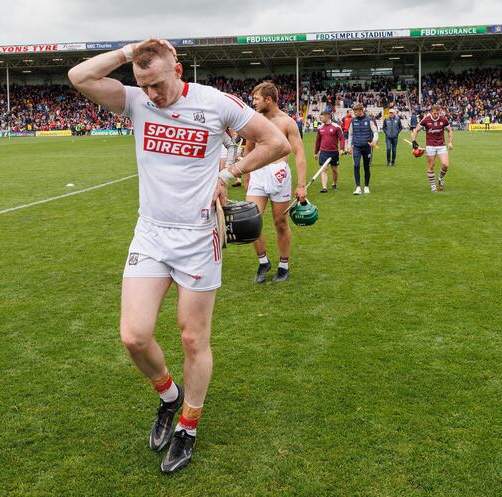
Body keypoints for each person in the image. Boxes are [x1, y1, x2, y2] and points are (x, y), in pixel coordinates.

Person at [68, 38, 289, 474]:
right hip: (150, 233)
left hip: (197, 236)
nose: (152, 94)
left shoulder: (214, 102)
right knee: (134, 336)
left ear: (179, 70)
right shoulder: (135, 102)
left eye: (158, 83)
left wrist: (229, 172)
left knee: (192, 339)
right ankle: (168, 397)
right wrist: (131, 51)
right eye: (143, 84)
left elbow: (274, 143)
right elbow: (79, 77)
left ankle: (188, 425)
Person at [244, 82, 308, 283]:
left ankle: (283, 265)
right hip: (258, 174)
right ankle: (263, 261)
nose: (253, 102)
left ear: (268, 100)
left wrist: (301, 184)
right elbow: (248, 150)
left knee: (280, 223)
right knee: (249, 222)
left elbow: (299, 154)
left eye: (256, 99)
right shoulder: (254, 121)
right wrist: (246, 177)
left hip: (280, 176)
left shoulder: (287, 122)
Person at [410, 104, 453, 192]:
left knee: (445, 165)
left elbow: (450, 130)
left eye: (438, 113)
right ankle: (433, 185)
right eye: (434, 113)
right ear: (431, 112)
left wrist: (450, 142)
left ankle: (440, 179)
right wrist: (414, 141)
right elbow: (416, 130)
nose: (436, 115)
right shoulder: (426, 119)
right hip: (430, 146)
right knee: (431, 166)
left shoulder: (443, 119)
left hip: (441, 145)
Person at [347, 103, 379, 195]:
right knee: (356, 166)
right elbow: (350, 134)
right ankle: (358, 187)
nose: (354, 113)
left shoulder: (369, 120)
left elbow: (375, 131)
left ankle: (366, 186)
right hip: (356, 147)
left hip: (367, 147)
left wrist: (374, 140)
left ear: (361, 111)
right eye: (354, 111)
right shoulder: (353, 121)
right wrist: (349, 146)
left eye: (356, 111)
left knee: (366, 167)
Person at [314, 110, 344, 192]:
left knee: (334, 170)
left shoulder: (336, 127)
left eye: (322, 117)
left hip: (334, 152)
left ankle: (334, 184)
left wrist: (341, 149)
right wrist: (316, 153)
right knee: (324, 169)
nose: (320, 118)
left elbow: (341, 138)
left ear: (327, 117)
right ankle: (324, 187)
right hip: (323, 152)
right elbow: (317, 141)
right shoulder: (320, 128)